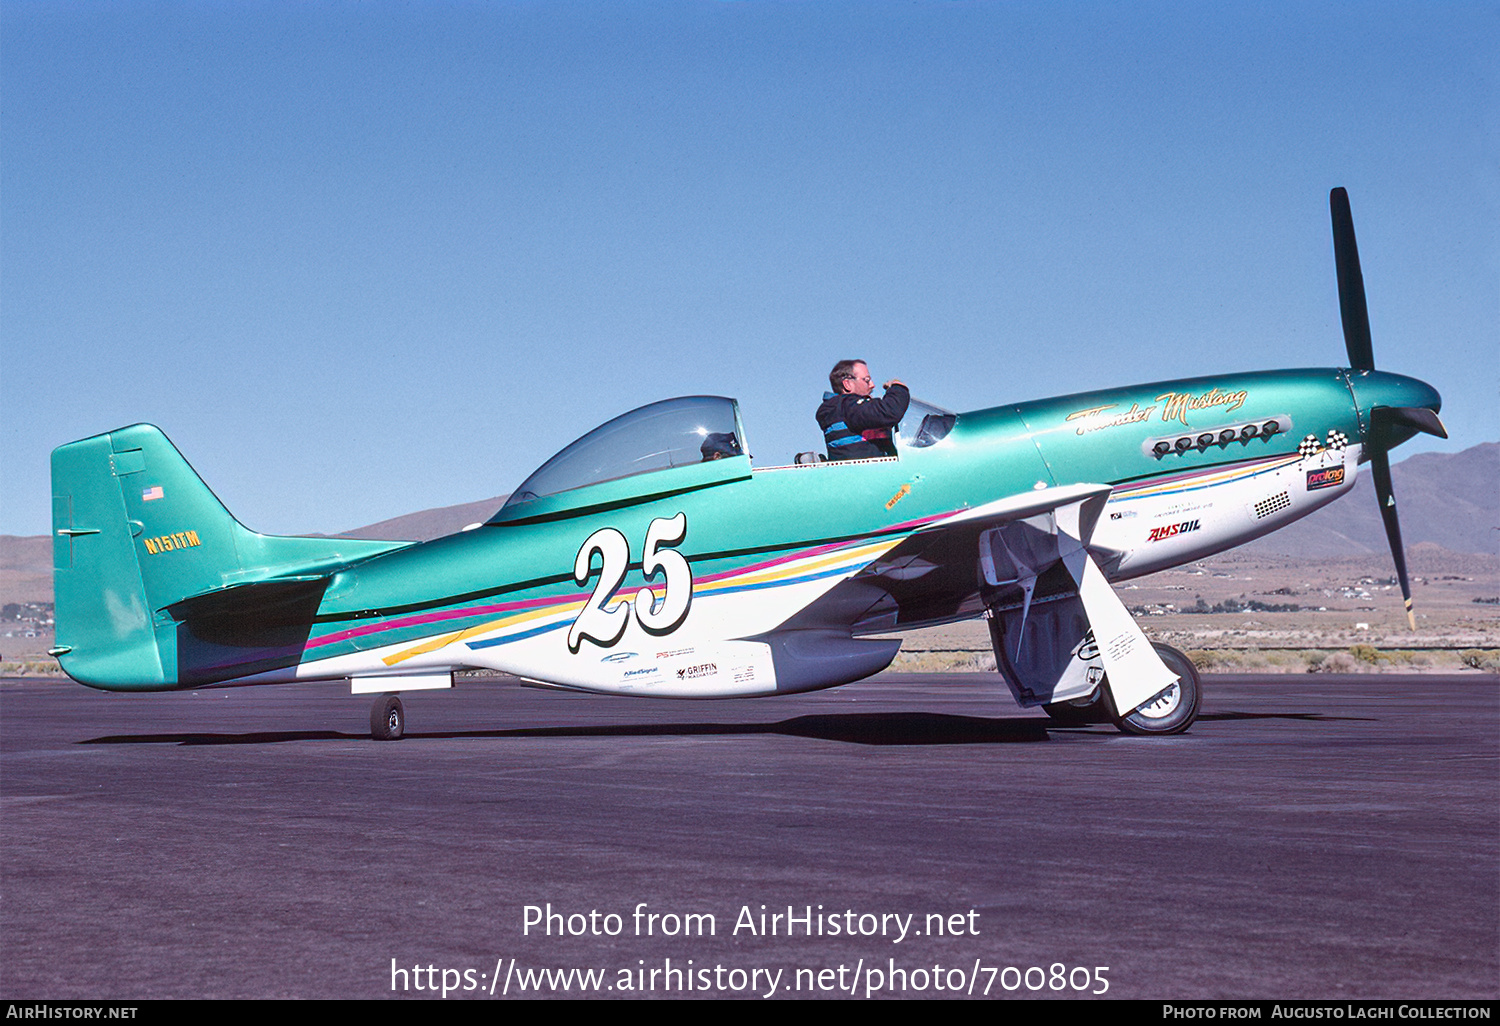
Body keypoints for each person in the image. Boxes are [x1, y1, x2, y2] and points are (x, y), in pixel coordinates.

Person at [816, 359, 910, 460]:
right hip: (870, 473)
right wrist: (898, 388)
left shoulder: (843, 409)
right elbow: (889, 411)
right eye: (866, 380)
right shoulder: (847, 407)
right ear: (847, 384)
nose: (872, 385)